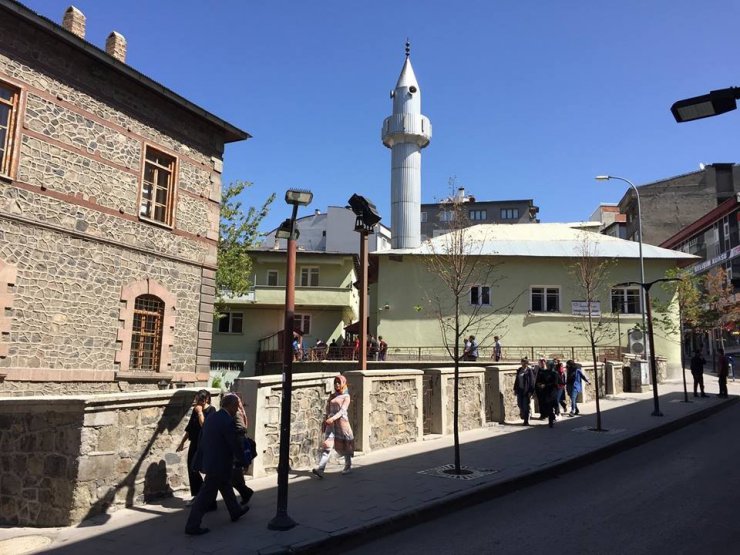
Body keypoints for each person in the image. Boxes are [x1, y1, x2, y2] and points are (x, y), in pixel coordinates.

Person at [185, 394, 249, 536]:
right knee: (205, 495)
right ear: (230, 406)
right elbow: (233, 444)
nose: (237, 410)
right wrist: (244, 461)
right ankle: (192, 525)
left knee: (225, 486)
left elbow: (202, 438)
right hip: (218, 464)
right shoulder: (226, 420)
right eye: (236, 407)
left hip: (212, 461)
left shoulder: (213, 417)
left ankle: (235, 511)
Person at [176, 389, 216, 505]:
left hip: (204, 443)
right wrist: (182, 442)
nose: (198, 402)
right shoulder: (196, 409)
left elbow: (205, 426)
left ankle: (204, 494)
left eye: (200, 399)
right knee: (191, 467)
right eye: (197, 399)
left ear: (206, 399)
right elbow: (190, 428)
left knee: (201, 469)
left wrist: (200, 413)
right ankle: (197, 494)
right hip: (194, 442)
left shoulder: (211, 410)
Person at [312, 375, 355, 478]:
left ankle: (348, 466)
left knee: (346, 445)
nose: (337, 384)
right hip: (331, 425)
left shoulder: (346, 396)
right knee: (327, 445)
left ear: (343, 383)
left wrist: (333, 418)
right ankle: (321, 469)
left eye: (339, 382)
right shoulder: (332, 396)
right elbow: (328, 409)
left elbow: (342, 411)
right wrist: (326, 419)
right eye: (335, 382)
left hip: (342, 424)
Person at [227, 393, 254, 507]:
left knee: (234, 475)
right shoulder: (234, 413)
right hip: (235, 446)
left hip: (236, 447)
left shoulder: (236, 413)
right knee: (234, 475)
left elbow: (241, 429)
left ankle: (245, 493)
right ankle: (245, 493)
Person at [513, 358, 536, 426]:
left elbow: (532, 382)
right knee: (520, 404)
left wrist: (530, 392)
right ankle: (526, 413)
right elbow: (517, 380)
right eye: (522, 362)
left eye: (524, 363)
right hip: (520, 390)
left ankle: (526, 420)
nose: (523, 364)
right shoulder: (519, 370)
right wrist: (515, 389)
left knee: (525, 405)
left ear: (527, 364)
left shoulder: (529, 371)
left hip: (526, 391)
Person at [537, 360, 559, 427]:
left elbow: (555, 383)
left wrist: (546, 385)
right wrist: (539, 384)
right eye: (547, 365)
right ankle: (551, 417)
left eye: (549, 365)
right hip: (546, 392)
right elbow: (540, 380)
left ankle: (551, 420)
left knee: (551, 406)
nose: (547, 366)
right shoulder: (544, 372)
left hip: (552, 392)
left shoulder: (554, 373)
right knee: (547, 406)